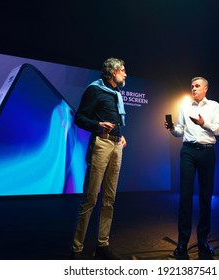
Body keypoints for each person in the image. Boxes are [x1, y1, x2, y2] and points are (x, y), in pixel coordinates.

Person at [71, 58, 127, 260]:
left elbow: (115, 119)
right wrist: (98, 125)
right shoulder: (95, 90)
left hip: (116, 145)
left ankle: (102, 245)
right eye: (122, 70)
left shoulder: (116, 93)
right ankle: (77, 249)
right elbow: (79, 117)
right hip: (101, 144)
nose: (125, 74)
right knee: (91, 198)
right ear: (113, 73)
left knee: (109, 199)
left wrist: (120, 135)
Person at [165, 77, 219, 260]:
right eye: (192, 86)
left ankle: (203, 240)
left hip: (207, 152)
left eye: (197, 86)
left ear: (206, 88)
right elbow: (180, 131)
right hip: (188, 151)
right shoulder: (185, 107)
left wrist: (202, 123)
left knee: (206, 197)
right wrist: (172, 128)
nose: (194, 89)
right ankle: (183, 242)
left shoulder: (214, 106)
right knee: (185, 197)